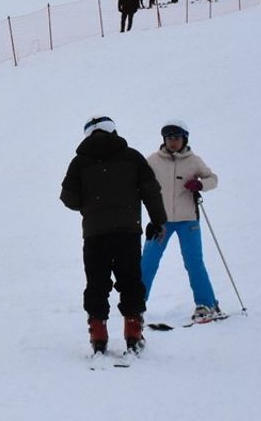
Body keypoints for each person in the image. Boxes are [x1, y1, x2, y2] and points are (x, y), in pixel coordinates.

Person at [61, 116, 167, 354]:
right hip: (127, 231)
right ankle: (133, 332)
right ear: (114, 131)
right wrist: (158, 220)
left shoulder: (79, 162)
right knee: (130, 280)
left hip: (95, 233)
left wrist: (89, 205)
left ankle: (98, 334)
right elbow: (151, 190)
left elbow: (69, 198)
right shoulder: (132, 157)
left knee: (97, 282)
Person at [141, 120, 223, 323]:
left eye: (176, 138)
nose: (173, 142)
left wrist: (201, 184)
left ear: (184, 138)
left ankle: (206, 304)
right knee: (148, 262)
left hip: (188, 221)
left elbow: (213, 179)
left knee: (194, 262)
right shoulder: (153, 160)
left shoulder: (194, 161)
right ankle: (137, 304)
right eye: (169, 138)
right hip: (161, 221)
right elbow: (139, 180)